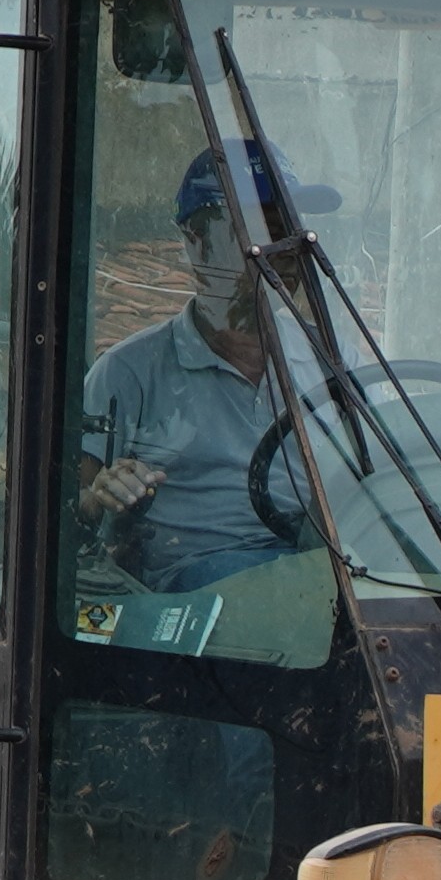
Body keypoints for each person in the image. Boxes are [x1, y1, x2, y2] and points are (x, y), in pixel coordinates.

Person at [78, 143, 338, 595]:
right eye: (260, 233)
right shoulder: (128, 372)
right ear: (195, 240)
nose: (282, 252)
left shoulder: (334, 361)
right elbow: (71, 511)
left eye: (290, 232)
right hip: (200, 579)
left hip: (321, 565)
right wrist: (105, 494)